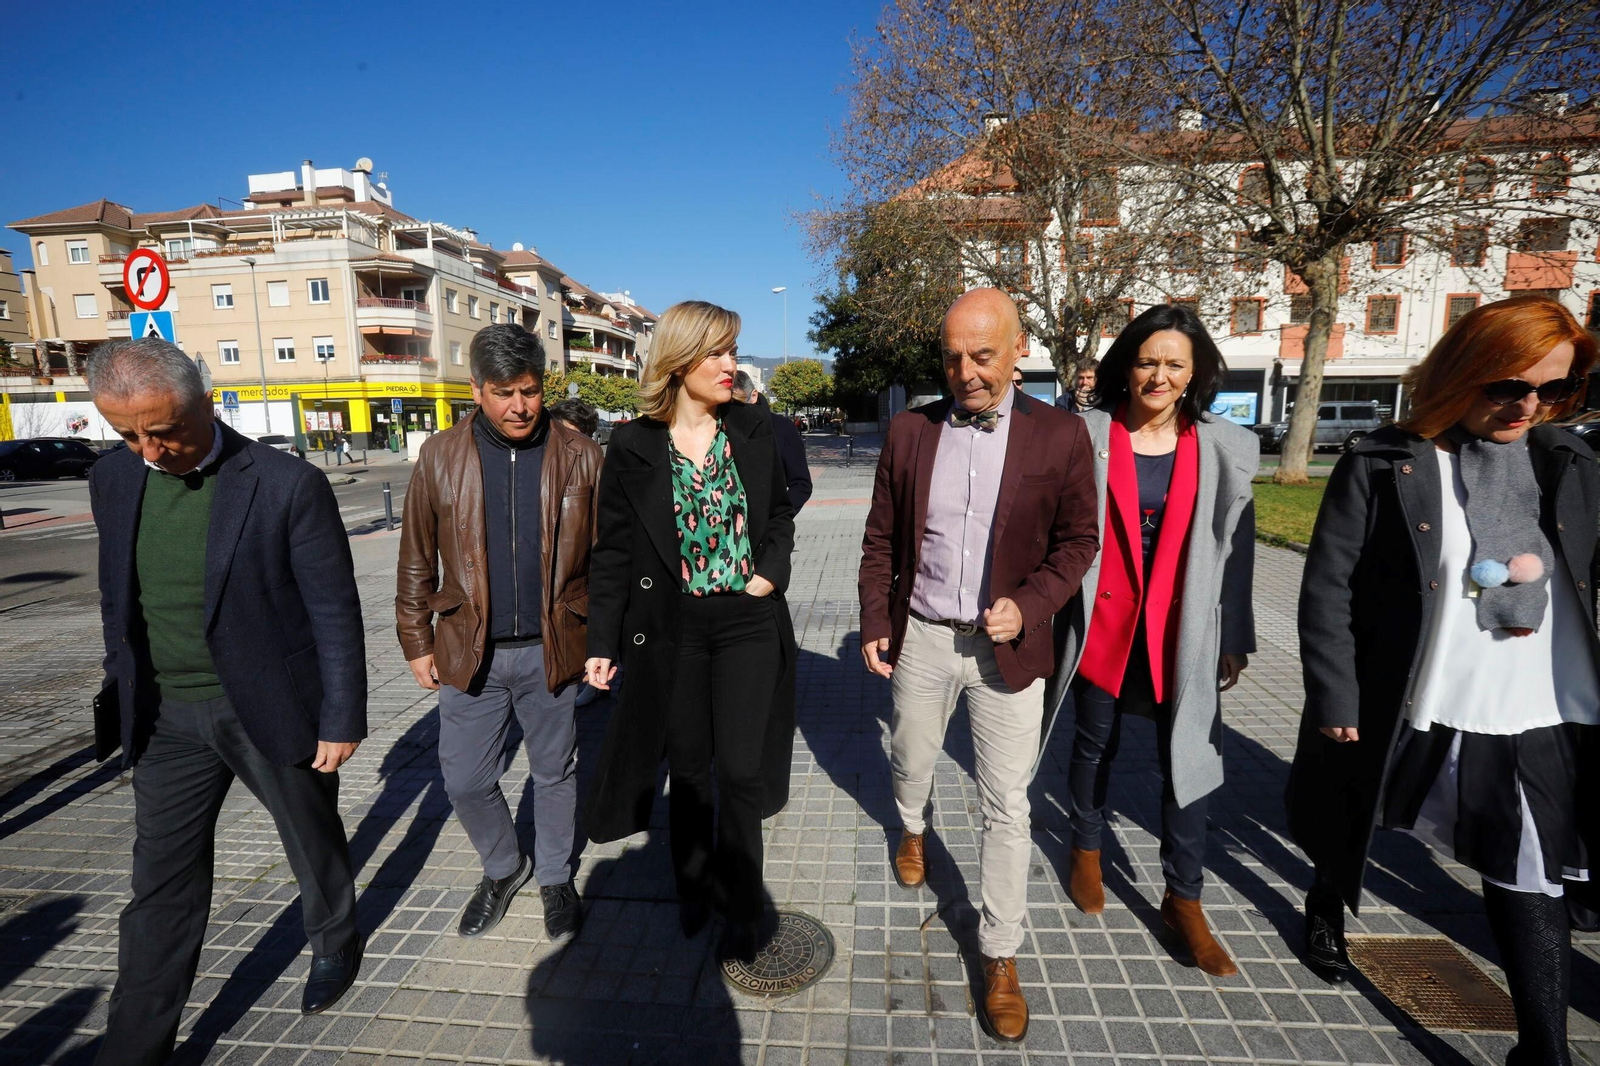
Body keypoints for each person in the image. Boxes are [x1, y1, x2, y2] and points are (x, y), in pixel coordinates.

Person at [1289, 295, 1600, 1065]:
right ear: (1464, 371)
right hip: (1416, 693)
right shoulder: (1386, 461)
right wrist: (1335, 692)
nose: (1528, 406)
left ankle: (1544, 1052)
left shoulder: (1571, 463)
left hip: (1536, 703)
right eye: (1509, 385)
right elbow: (1329, 587)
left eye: (1553, 389)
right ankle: (1327, 897)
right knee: (1355, 808)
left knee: (1529, 867)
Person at [85, 338, 365, 1065]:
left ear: (205, 402)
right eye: (128, 435)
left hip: (270, 703)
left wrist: (340, 717)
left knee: (309, 836)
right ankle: (134, 1050)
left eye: (164, 429)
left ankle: (334, 936)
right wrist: (121, 680)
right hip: (164, 716)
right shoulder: (112, 476)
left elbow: (333, 609)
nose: (150, 450)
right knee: (160, 888)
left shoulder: (286, 482)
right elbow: (118, 594)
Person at [858, 287, 1099, 1043]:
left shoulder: (1061, 434)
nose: (965, 373)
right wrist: (875, 621)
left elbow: (1079, 543)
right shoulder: (910, 430)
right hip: (924, 637)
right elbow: (880, 539)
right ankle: (911, 827)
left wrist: (1030, 604)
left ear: (1019, 349)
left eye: (982, 356)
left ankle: (999, 952)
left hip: (1010, 651)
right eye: (952, 357)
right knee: (910, 759)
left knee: (1007, 805)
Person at [1045, 304, 1258, 977]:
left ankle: (1184, 897)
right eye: (1147, 361)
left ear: (1195, 374)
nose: (1159, 376)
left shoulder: (1222, 445)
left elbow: (1237, 546)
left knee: (1187, 754)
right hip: (1103, 620)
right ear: (1127, 367)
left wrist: (1235, 635)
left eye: (1174, 364)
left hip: (1182, 625)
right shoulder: (1087, 434)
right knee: (1093, 742)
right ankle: (1085, 849)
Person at [583, 301, 797, 963]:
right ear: (679, 363)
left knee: (741, 771)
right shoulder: (633, 445)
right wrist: (601, 641)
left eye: (733, 351)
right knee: (690, 771)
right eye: (717, 353)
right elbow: (614, 551)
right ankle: (693, 887)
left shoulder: (754, 428)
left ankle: (743, 902)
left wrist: (769, 573)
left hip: (746, 623)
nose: (731, 365)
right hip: (670, 629)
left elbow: (780, 514)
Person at [397, 324, 601, 942]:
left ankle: (557, 877)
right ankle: (504, 866)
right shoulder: (439, 455)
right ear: (476, 389)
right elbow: (415, 557)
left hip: (554, 645)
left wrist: (606, 641)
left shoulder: (581, 454)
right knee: (465, 779)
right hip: (469, 649)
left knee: (554, 772)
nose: (519, 406)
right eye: (504, 392)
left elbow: (609, 558)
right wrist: (416, 640)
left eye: (530, 391)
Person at [732, 370, 813, 514]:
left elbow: (801, 484)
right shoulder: (719, 426)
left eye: (737, 404)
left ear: (754, 396)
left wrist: (777, 518)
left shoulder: (782, 428)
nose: (733, 412)